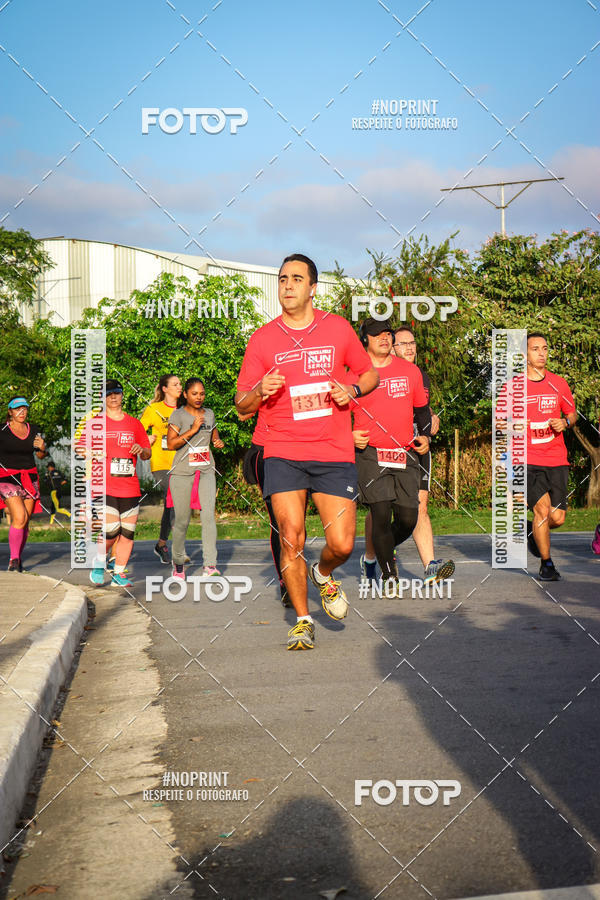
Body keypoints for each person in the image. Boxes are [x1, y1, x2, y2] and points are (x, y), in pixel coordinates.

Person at [235, 253, 379, 651]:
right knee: (291, 536)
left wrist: (352, 390)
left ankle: (323, 571)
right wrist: (258, 392)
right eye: (282, 279)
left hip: (333, 451)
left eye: (296, 278)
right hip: (282, 450)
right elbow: (240, 403)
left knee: (343, 544)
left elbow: (370, 373)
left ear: (313, 287)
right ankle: (302, 619)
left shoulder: (337, 329)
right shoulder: (263, 339)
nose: (287, 285)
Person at [352, 319, 431, 582]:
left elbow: (421, 409)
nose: (384, 338)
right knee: (381, 513)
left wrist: (427, 435)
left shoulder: (410, 371)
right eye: (377, 335)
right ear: (365, 340)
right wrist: (349, 435)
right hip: (371, 453)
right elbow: (336, 413)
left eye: (387, 334)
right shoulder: (354, 373)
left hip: (405, 452)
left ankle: (380, 550)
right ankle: (388, 575)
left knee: (409, 517)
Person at [388, 326, 455, 584]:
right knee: (383, 509)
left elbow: (420, 411)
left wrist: (430, 421)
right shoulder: (380, 373)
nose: (410, 348)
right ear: (391, 348)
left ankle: (430, 566)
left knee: (420, 506)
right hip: (386, 449)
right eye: (404, 344)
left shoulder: (420, 375)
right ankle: (376, 555)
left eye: (413, 343)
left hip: (417, 447)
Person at [80, 379, 151, 588]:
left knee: (127, 532)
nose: (113, 397)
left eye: (117, 393)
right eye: (108, 393)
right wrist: (90, 452)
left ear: (122, 396)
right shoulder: (95, 423)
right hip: (104, 485)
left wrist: (141, 449)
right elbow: (80, 447)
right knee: (112, 530)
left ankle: (119, 573)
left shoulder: (133, 423)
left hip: (129, 486)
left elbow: (147, 453)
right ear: (103, 398)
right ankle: (100, 562)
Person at [523, 333, 577, 581]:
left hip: (557, 459)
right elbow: (500, 424)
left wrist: (564, 422)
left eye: (545, 348)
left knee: (557, 517)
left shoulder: (559, 383)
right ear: (525, 355)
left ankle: (532, 533)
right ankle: (547, 564)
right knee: (542, 511)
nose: (542, 353)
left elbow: (572, 413)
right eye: (536, 349)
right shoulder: (514, 387)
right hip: (528, 460)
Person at [166, 378, 224, 579]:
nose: (199, 397)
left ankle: (210, 565)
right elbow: (171, 444)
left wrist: (217, 441)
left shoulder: (209, 414)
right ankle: (179, 564)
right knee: (182, 520)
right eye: (194, 393)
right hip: (182, 473)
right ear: (185, 395)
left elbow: (213, 433)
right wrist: (192, 430)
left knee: (208, 517)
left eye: (202, 394)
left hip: (206, 470)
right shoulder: (178, 415)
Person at [241, 405, 291, 607]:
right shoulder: (267, 375)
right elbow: (242, 411)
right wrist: (259, 392)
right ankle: (285, 582)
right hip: (266, 451)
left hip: (299, 449)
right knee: (278, 521)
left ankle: (295, 572)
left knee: (295, 522)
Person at [0, 397, 47, 571]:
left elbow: (41, 456)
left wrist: (42, 448)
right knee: (19, 517)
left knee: (25, 521)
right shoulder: (2, 430)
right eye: (17, 409)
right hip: (7, 478)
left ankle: (18, 559)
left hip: (30, 478)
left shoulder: (33, 430)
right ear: (10, 412)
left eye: (24, 409)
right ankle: (13, 559)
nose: (22, 412)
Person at [140, 374, 183, 564]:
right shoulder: (154, 409)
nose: (179, 387)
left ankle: (161, 544)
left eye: (180, 384)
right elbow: (137, 430)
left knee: (172, 504)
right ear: (164, 389)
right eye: (175, 384)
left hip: (182, 462)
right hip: (161, 463)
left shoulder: (185, 409)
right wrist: (145, 440)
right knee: (174, 496)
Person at [47, 460, 70, 525]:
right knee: (53, 506)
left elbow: (46, 482)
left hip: (53, 492)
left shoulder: (49, 473)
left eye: (48, 467)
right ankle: (51, 521)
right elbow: (65, 480)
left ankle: (70, 514)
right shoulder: (59, 472)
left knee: (57, 507)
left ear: (50, 467)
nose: (48, 469)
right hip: (59, 491)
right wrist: (59, 484)